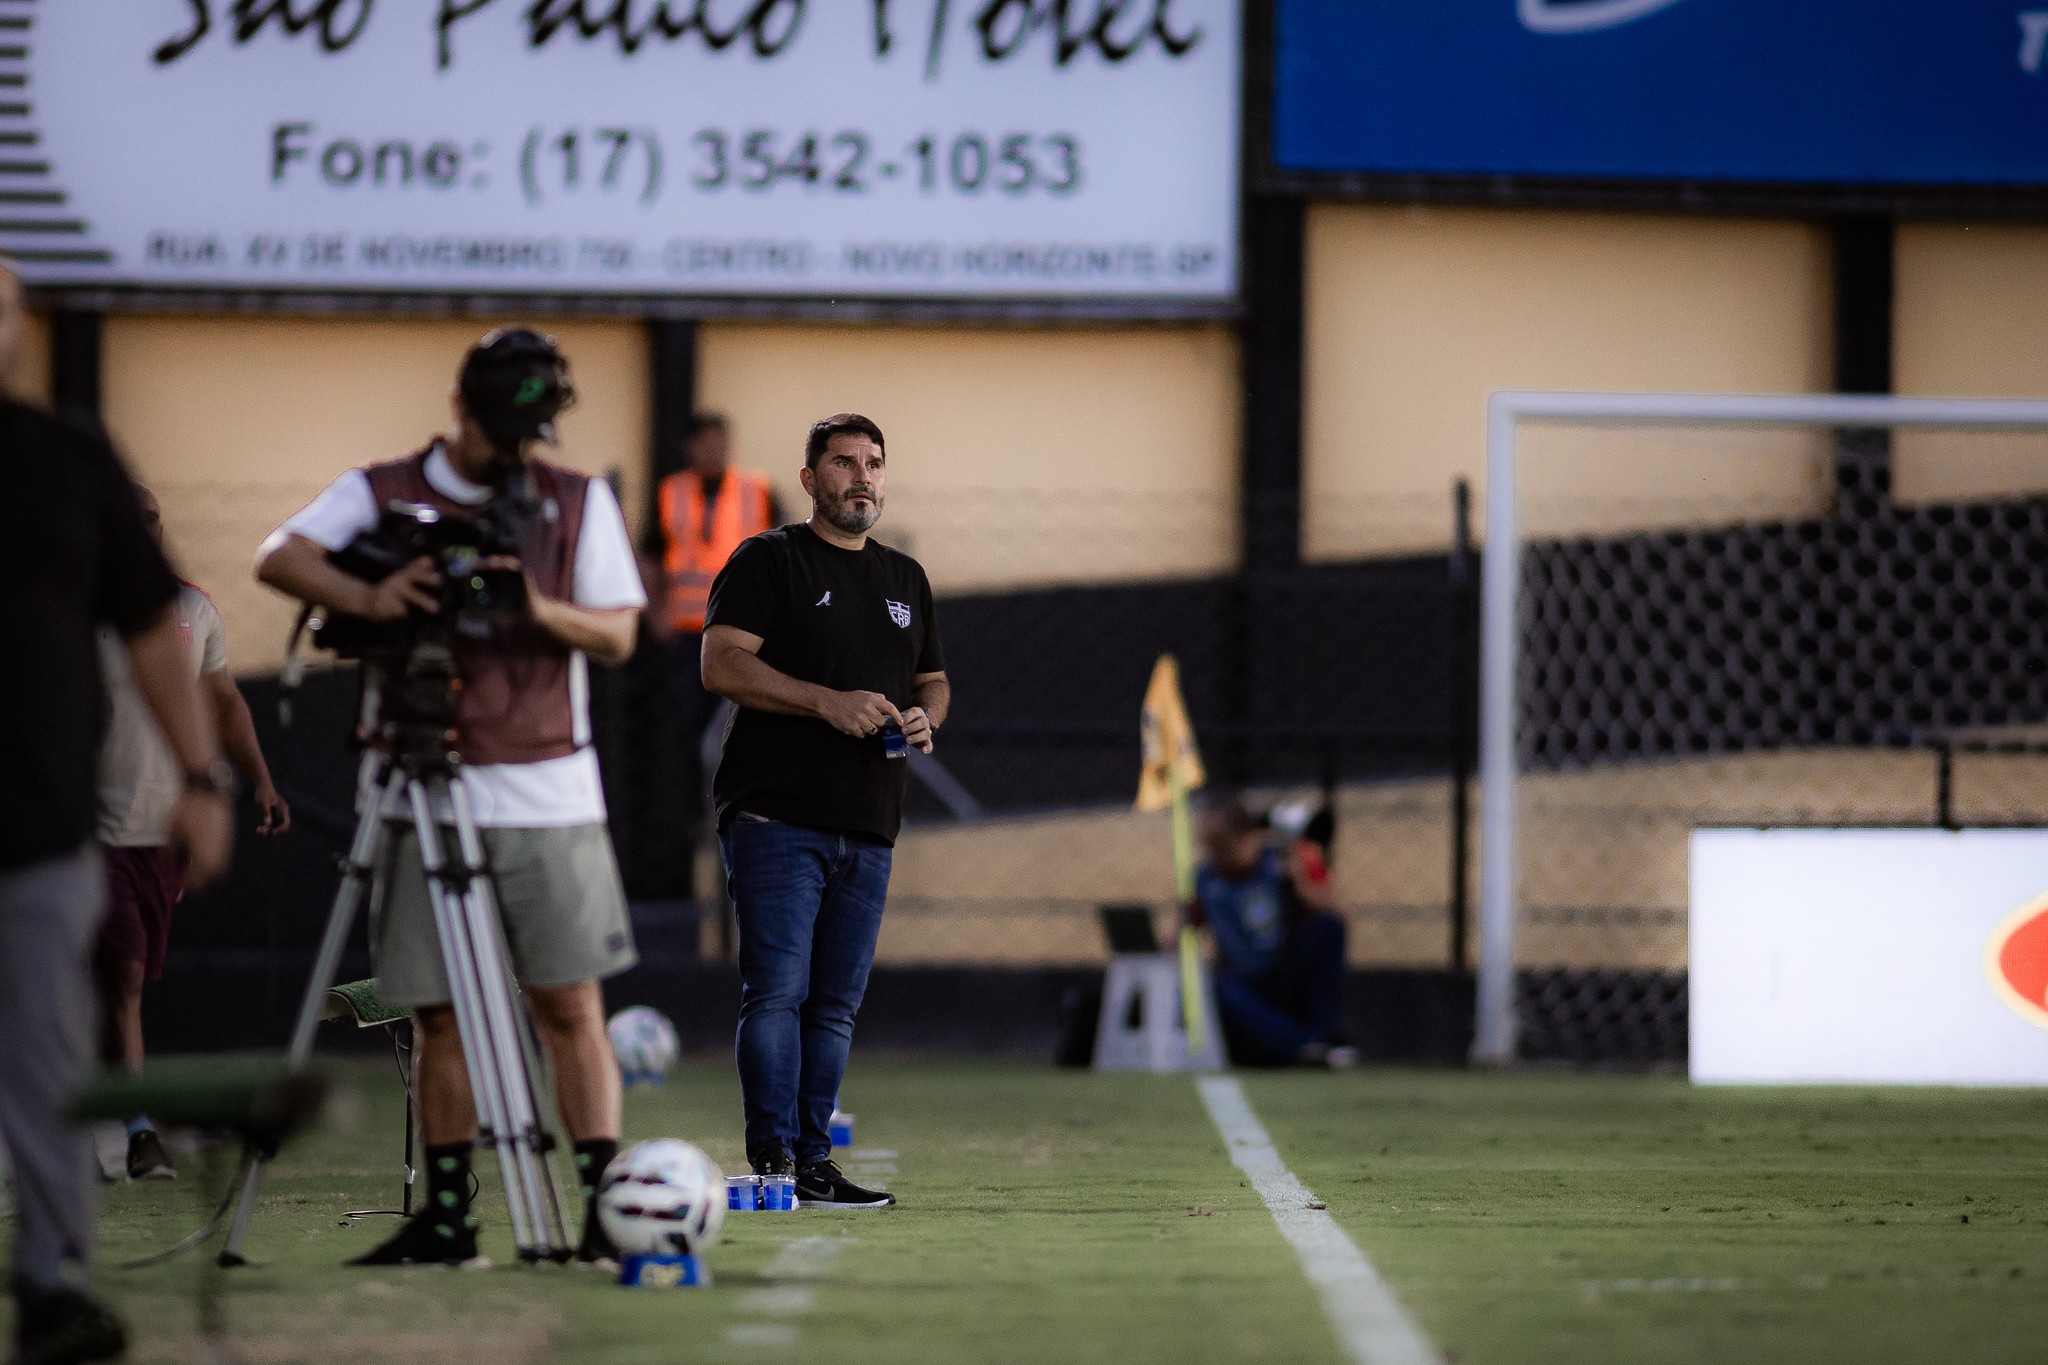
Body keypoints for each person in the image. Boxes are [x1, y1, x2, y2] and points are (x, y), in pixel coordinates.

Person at [255, 328, 645, 1267]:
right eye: (504, 429)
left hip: (549, 789)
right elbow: (279, 556)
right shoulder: (384, 489)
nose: (518, 451)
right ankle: (447, 1217)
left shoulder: (575, 499)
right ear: (461, 407)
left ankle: (601, 1208)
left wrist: (537, 608)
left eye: (531, 433)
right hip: (416, 782)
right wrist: (375, 594)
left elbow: (619, 634)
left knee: (569, 1002)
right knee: (436, 1009)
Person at [0, 259, 233, 1365]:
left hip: (44, 830)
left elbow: (153, 626)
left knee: (48, 1058)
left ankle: (51, 1289)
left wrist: (200, 778)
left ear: (18, 324)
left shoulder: (67, 457)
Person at [701, 412, 948, 1207]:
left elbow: (933, 679)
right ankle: (775, 1157)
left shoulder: (905, 577)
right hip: (776, 814)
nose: (861, 476)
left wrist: (927, 716)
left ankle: (814, 1160)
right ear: (810, 479)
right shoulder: (769, 559)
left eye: (873, 462)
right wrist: (824, 702)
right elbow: (720, 663)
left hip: (870, 820)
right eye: (844, 462)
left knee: (836, 1005)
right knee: (778, 989)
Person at [94, 482, 291, 1182]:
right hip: (90, 829)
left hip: (164, 829)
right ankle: (136, 1129)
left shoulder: (191, 608)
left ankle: (105, 1107)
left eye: (152, 518)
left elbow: (225, 701)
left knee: (127, 978)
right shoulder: (71, 606)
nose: (143, 529)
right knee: (119, 973)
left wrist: (260, 780)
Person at [645, 413, 782, 892]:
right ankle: (691, 822)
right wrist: (656, 611)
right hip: (686, 636)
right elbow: (651, 554)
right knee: (686, 733)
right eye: (707, 443)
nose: (717, 451)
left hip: (742, 636)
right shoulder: (671, 493)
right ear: (690, 447)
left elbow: (781, 556)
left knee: (740, 730)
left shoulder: (756, 490)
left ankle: (741, 810)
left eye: (722, 442)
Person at [1188, 793, 1355, 1068]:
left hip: (1287, 966)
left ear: (1246, 837)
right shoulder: (1206, 878)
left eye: (1220, 844)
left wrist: (1298, 881)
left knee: (1328, 929)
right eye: (1208, 845)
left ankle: (1323, 1035)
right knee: (1220, 985)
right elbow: (1184, 928)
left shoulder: (1286, 858)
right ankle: (1306, 1047)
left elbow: (1336, 912)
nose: (1214, 854)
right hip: (1246, 977)